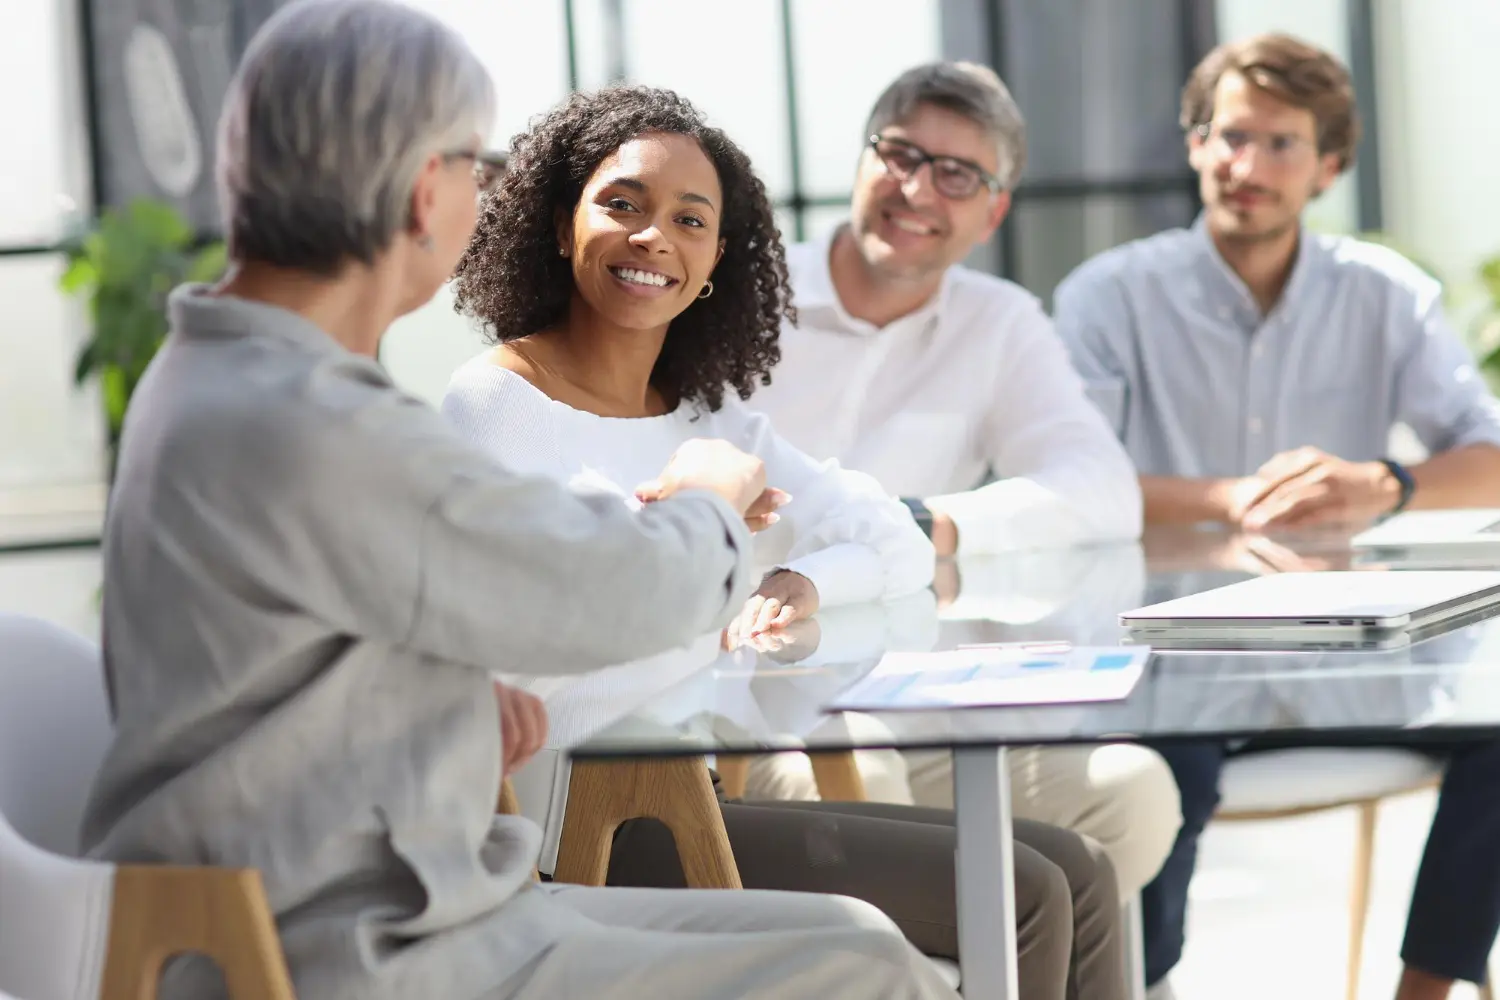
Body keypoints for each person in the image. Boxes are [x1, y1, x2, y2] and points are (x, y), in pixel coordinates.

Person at [77, 4, 961, 999]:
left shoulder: (212, 373)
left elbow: (273, 654)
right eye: (471, 163)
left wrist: (436, 705)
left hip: (424, 896)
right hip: (367, 940)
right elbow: (613, 593)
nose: (480, 188)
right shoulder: (318, 424)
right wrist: (710, 499)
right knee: (873, 971)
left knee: (870, 947)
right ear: (423, 191)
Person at [442, 83, 1128, 1000]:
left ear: (716, 258)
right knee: (1027, 894)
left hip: (697, 785)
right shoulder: (494, 407)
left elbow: (894, 538)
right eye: (622, 205)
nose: (655, 238)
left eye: (690, 220)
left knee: (1080, 871)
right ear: (560, 224)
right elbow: (530, 650)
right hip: (586, 813)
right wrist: (710, 525)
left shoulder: (702, 418)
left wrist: (798, 579)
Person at [1056, 33, 1500, 1000]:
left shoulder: (1389, 296)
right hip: (1177, 677)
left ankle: (1424, 992)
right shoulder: (1108, 296)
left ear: (1330, 166)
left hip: (1358, 666)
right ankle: (1139, 985)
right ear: (1194, 144)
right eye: (1228, 135)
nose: (1245, 166)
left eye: (1280, 144)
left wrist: (1388, 482)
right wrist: (1228, 498)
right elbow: (1067, 482)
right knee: (1140, 790)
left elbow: (1492, 458)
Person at [745, 59, 1181, 903]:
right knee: (865, 776)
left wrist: (931, 525)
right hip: (765, 717)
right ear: (865, 160)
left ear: (994, 210)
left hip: (926, 715)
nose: (917, 191)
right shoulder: (746, 300)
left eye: (957, 174)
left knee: (1135, 793)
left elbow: (1102, 489)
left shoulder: (999, 322)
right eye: (901, 155)